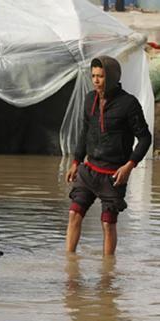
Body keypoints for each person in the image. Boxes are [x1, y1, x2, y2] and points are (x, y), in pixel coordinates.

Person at [65, 56, 151, 255]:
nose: (96, 80)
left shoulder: (129, 104)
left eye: (101, 76)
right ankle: (69, 270)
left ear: (111, 77)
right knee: (73, 214)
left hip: (113, 176)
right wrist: (76, 161)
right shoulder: (89, 99)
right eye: (93, 76)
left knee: (107, 224)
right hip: (88, 171)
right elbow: (85, 132)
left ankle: (107, 275)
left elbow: (145, 138)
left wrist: (129, 166)